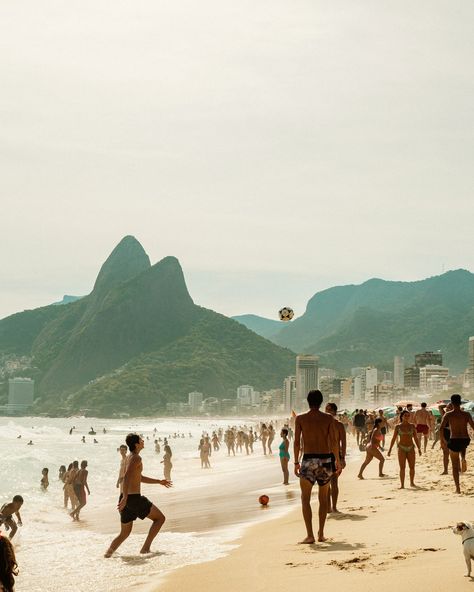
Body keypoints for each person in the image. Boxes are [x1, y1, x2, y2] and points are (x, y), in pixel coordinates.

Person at [104, 433, 172, 558]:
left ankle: (107, 555)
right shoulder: (136, 458)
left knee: (124, 533)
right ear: (136, 444)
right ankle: (145, 549)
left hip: (126, 498)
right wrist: (125, 497)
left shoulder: (129, 458)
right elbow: (127, 477)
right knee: (160, 519)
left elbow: (138, 477)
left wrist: (159, 481)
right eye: (141, 440)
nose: (143, 441)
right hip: (133, 498)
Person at [294, 390, 340, 544]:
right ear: (321, 402)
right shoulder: (328, 418)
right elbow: (333, 441)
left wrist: (295, 462)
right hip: (326, 460)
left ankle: (310, 535)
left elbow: (296, 442)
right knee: (323, 498)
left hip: (308, 460)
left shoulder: (300, 418)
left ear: (307, 401)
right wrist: (337, 461)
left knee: (305, 499)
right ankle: (321, 534)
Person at [440, 394, 474, 494]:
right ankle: (463, 457)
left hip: (454, 439)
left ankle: (458, 489)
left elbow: (441, 428)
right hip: (465, 439)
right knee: (463, 446)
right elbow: (473, 426)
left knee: (455, 466)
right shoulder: (466, 414)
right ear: (460, 402)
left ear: (451, 402)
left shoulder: (448, 414)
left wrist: (443, 440)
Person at [387, 410, 422, 488]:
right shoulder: (398, 427)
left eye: (408, 416)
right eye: (405, 415)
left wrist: (419, 448)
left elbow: (416, 438)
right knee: (402, 468)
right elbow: (393, 438)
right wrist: (389, 450)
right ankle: (402, 485)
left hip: (411, 448)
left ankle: (412, 483)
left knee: (412, 467)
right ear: (402, 416)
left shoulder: (412, 426)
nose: (407, 417)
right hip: (401, 448)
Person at [325, 403, 346, 513]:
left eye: (329, 410)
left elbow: (343, 442)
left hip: (335, 456)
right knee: (325, 483)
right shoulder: (322, 425)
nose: (327, 412)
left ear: (335, 412)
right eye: (326, 410)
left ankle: (334, 506)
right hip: (324, 456)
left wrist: (342, 458)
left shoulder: (339, 425)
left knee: (334, 482)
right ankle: (328, 507)